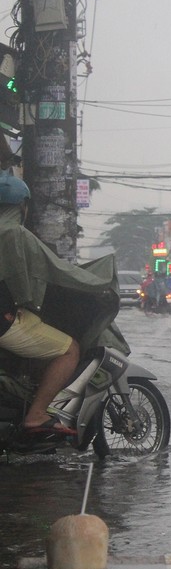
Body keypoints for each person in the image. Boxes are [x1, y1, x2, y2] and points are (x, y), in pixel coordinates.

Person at [0, 173, 80, 435]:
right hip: (4, 319)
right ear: (21, 205)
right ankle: (36, 414)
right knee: (70, 350)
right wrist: (28, 303)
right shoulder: (12, 232)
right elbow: (22, 278)